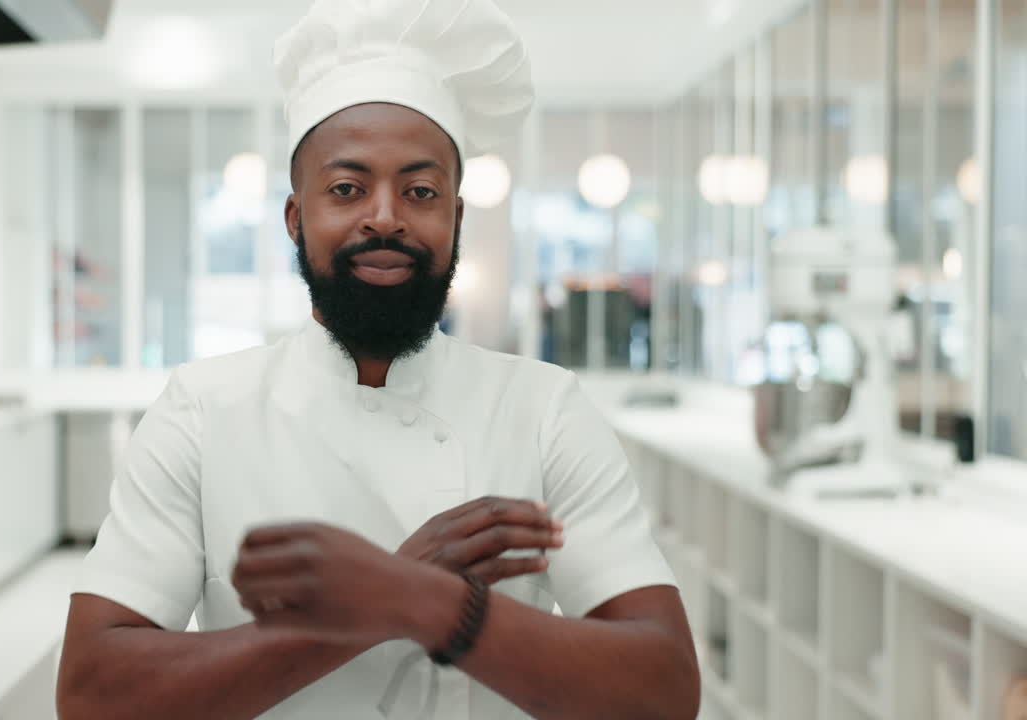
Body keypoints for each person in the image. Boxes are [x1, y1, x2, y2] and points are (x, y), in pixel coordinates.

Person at [56, 1, 699, 718]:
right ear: (297, 219)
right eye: (347, 188)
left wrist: (417, 599)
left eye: (421, 191)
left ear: (457, 219)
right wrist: (396, 596)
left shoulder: (543, 410)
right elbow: (90, 694)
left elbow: (664, 691)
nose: (386, 216)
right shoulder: (204, 411)